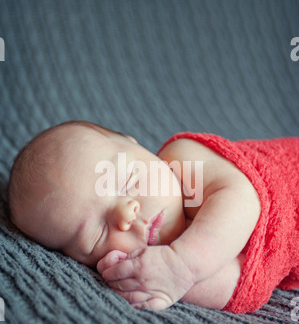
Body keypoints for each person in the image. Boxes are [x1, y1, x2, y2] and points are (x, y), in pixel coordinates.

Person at [8, 120, 298, 313]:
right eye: (97, 234)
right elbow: (243, 283)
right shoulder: (164, 258)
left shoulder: (182, 162)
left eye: (127, 181)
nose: (125, 214)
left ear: (135, 145)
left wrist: (182, 266)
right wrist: (157, 279)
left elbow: (244, 200)